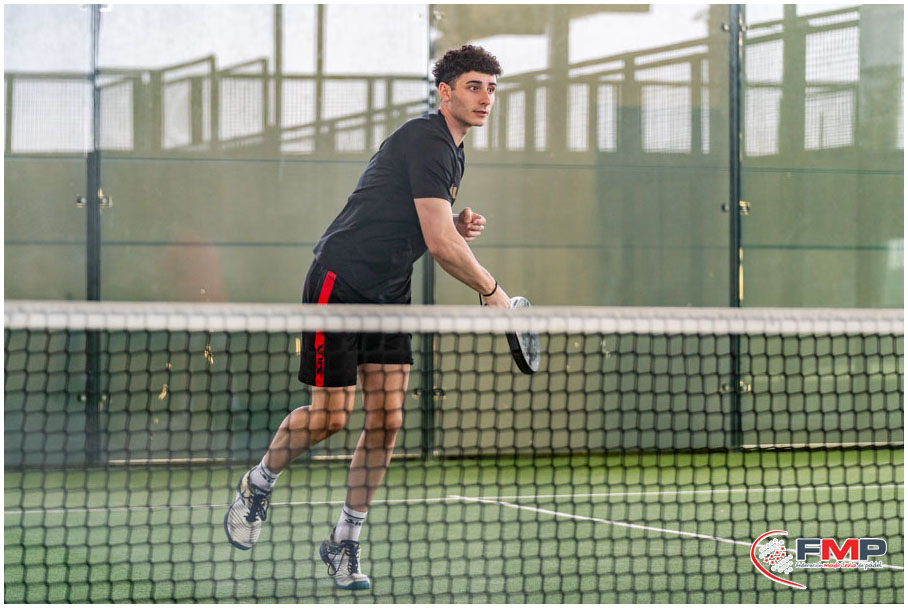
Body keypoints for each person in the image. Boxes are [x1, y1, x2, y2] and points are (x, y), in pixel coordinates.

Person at [224, 45, 510, 590]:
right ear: (445, 92)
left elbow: (423, 223)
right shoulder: (427, 140)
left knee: (387, 420)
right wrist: (491, 291)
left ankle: (344, 541)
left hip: (389, 291)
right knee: (332, 416)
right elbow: (439, 245)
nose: (485, 98)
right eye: (474, 86)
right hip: (341, 282)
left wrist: (454, 223)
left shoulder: (453, 150)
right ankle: (258, 483)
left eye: (491, 88)